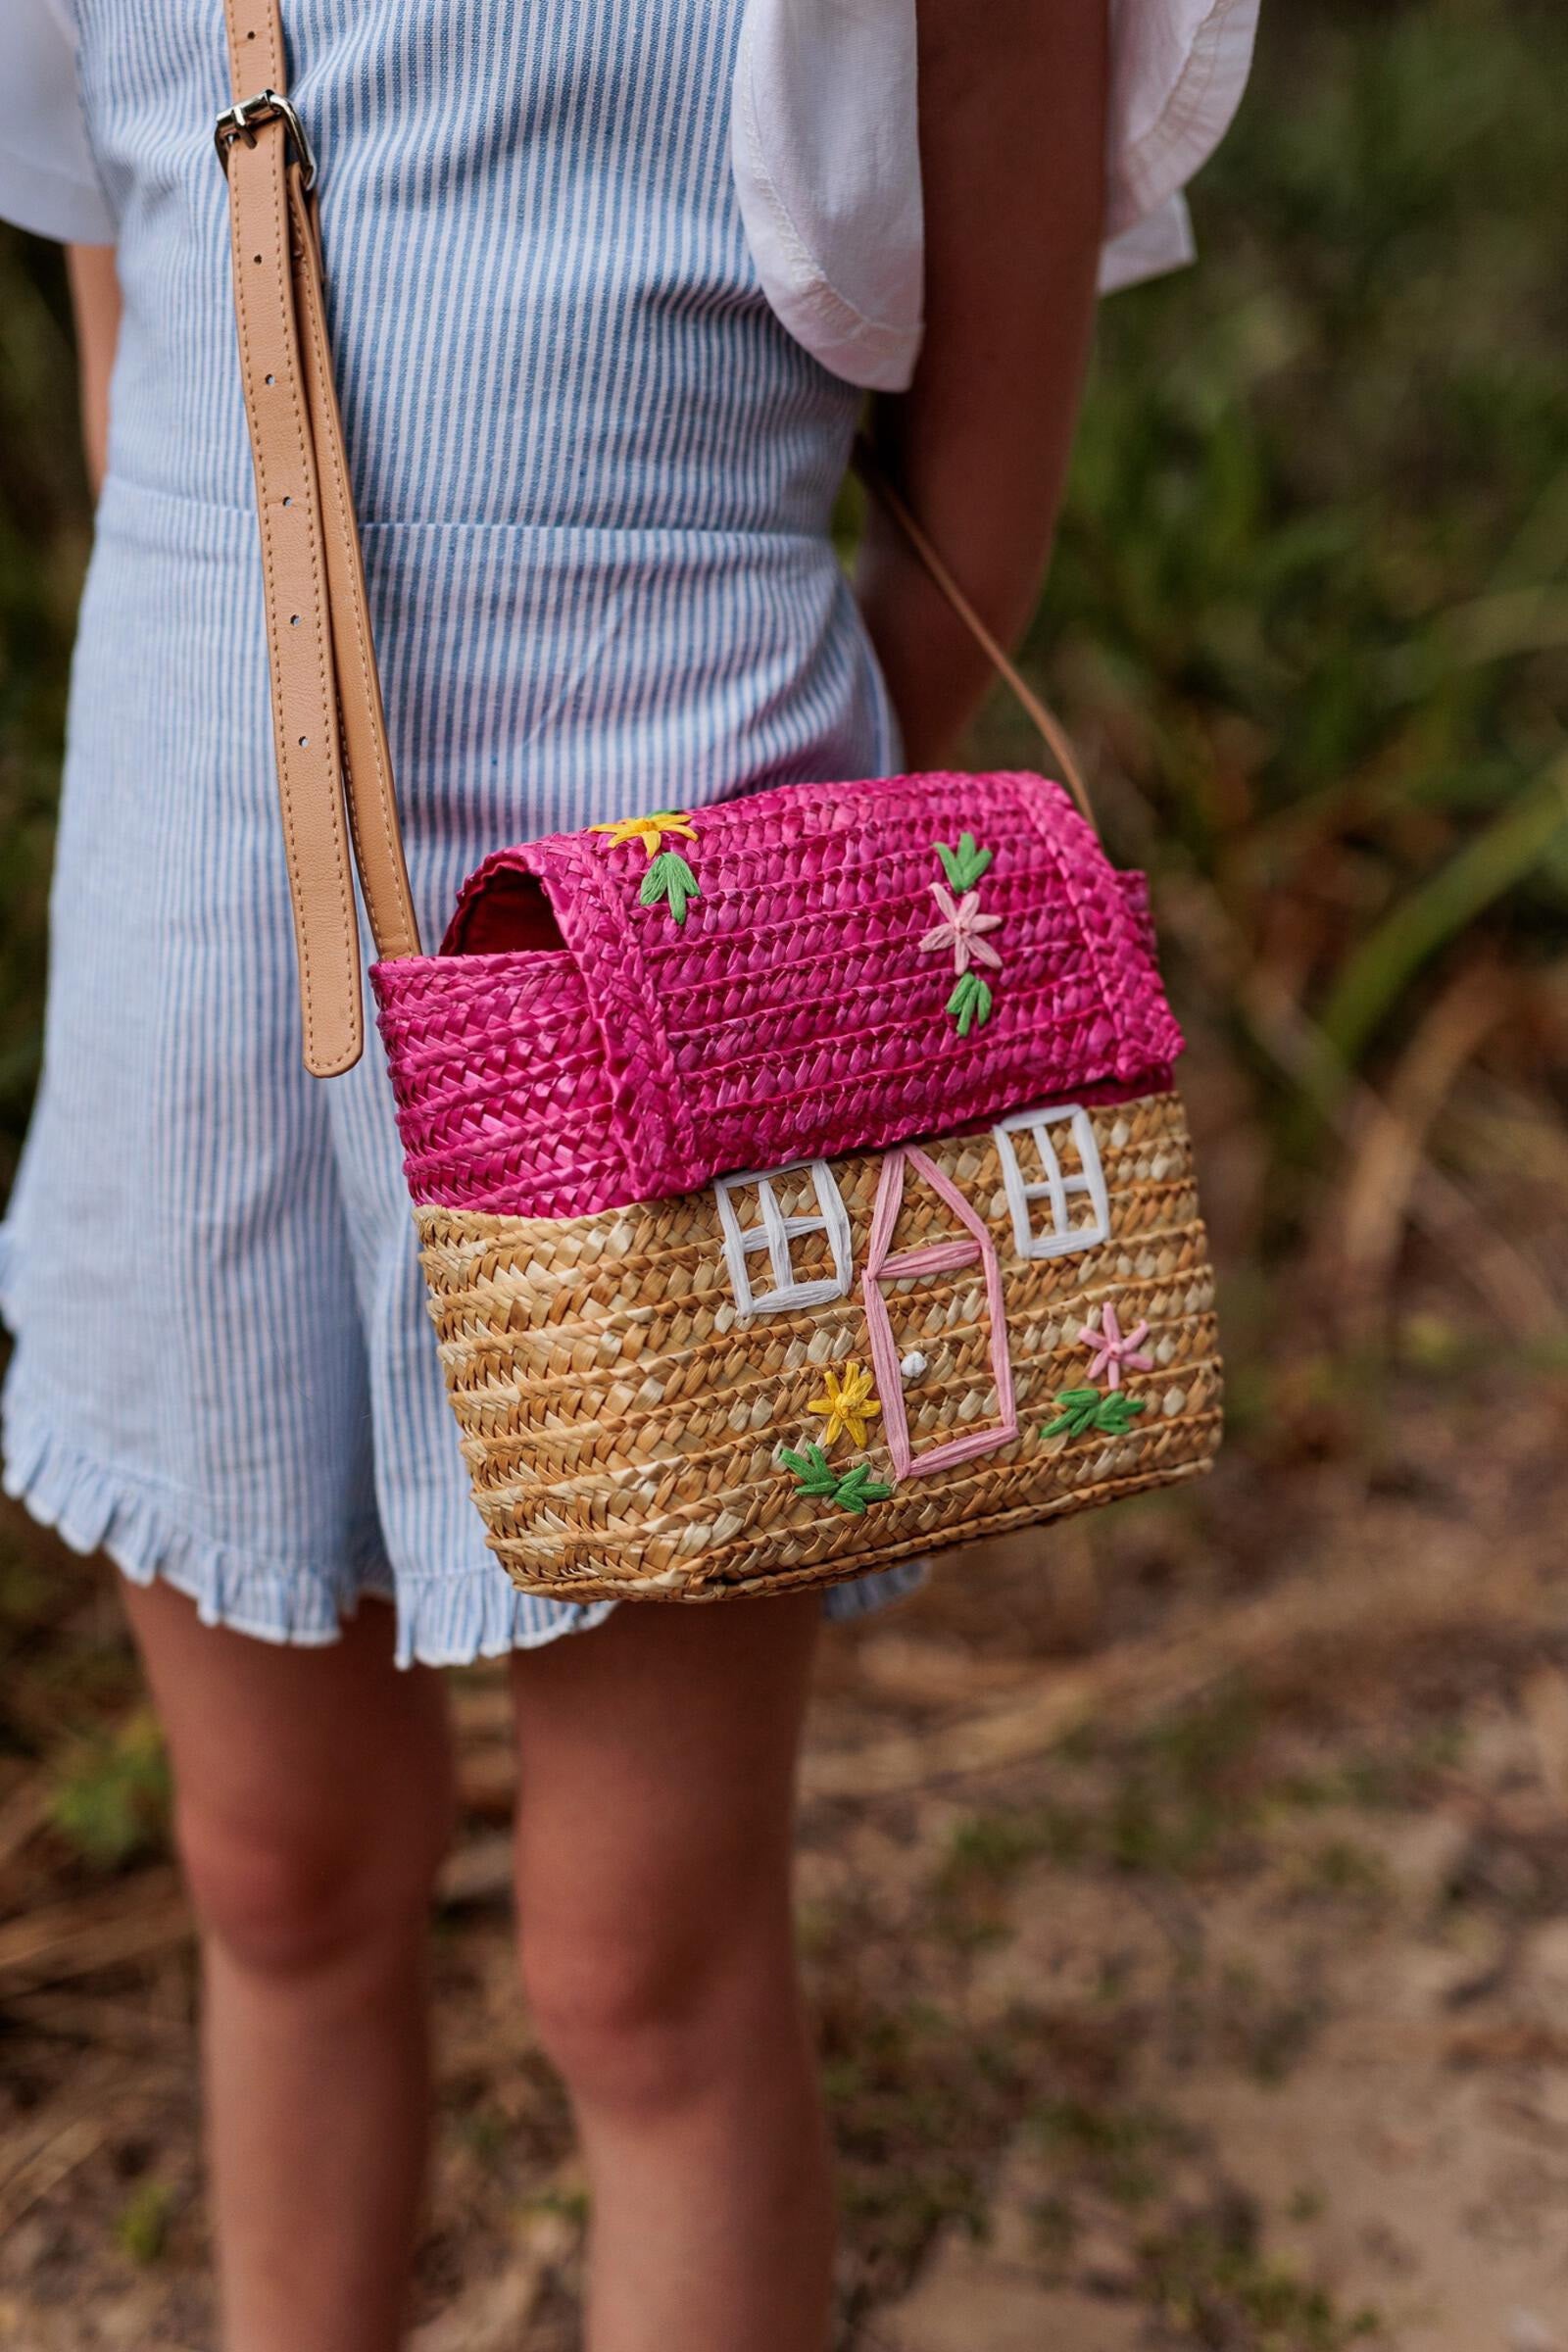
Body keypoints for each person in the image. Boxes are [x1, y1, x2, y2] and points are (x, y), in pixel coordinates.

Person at [0, 3, 1256, 2345]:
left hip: (667, 882)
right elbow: (131, 313)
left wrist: (781, 856)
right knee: (271, 1868)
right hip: (201, 892)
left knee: (641, 1958)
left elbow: (975, 498)